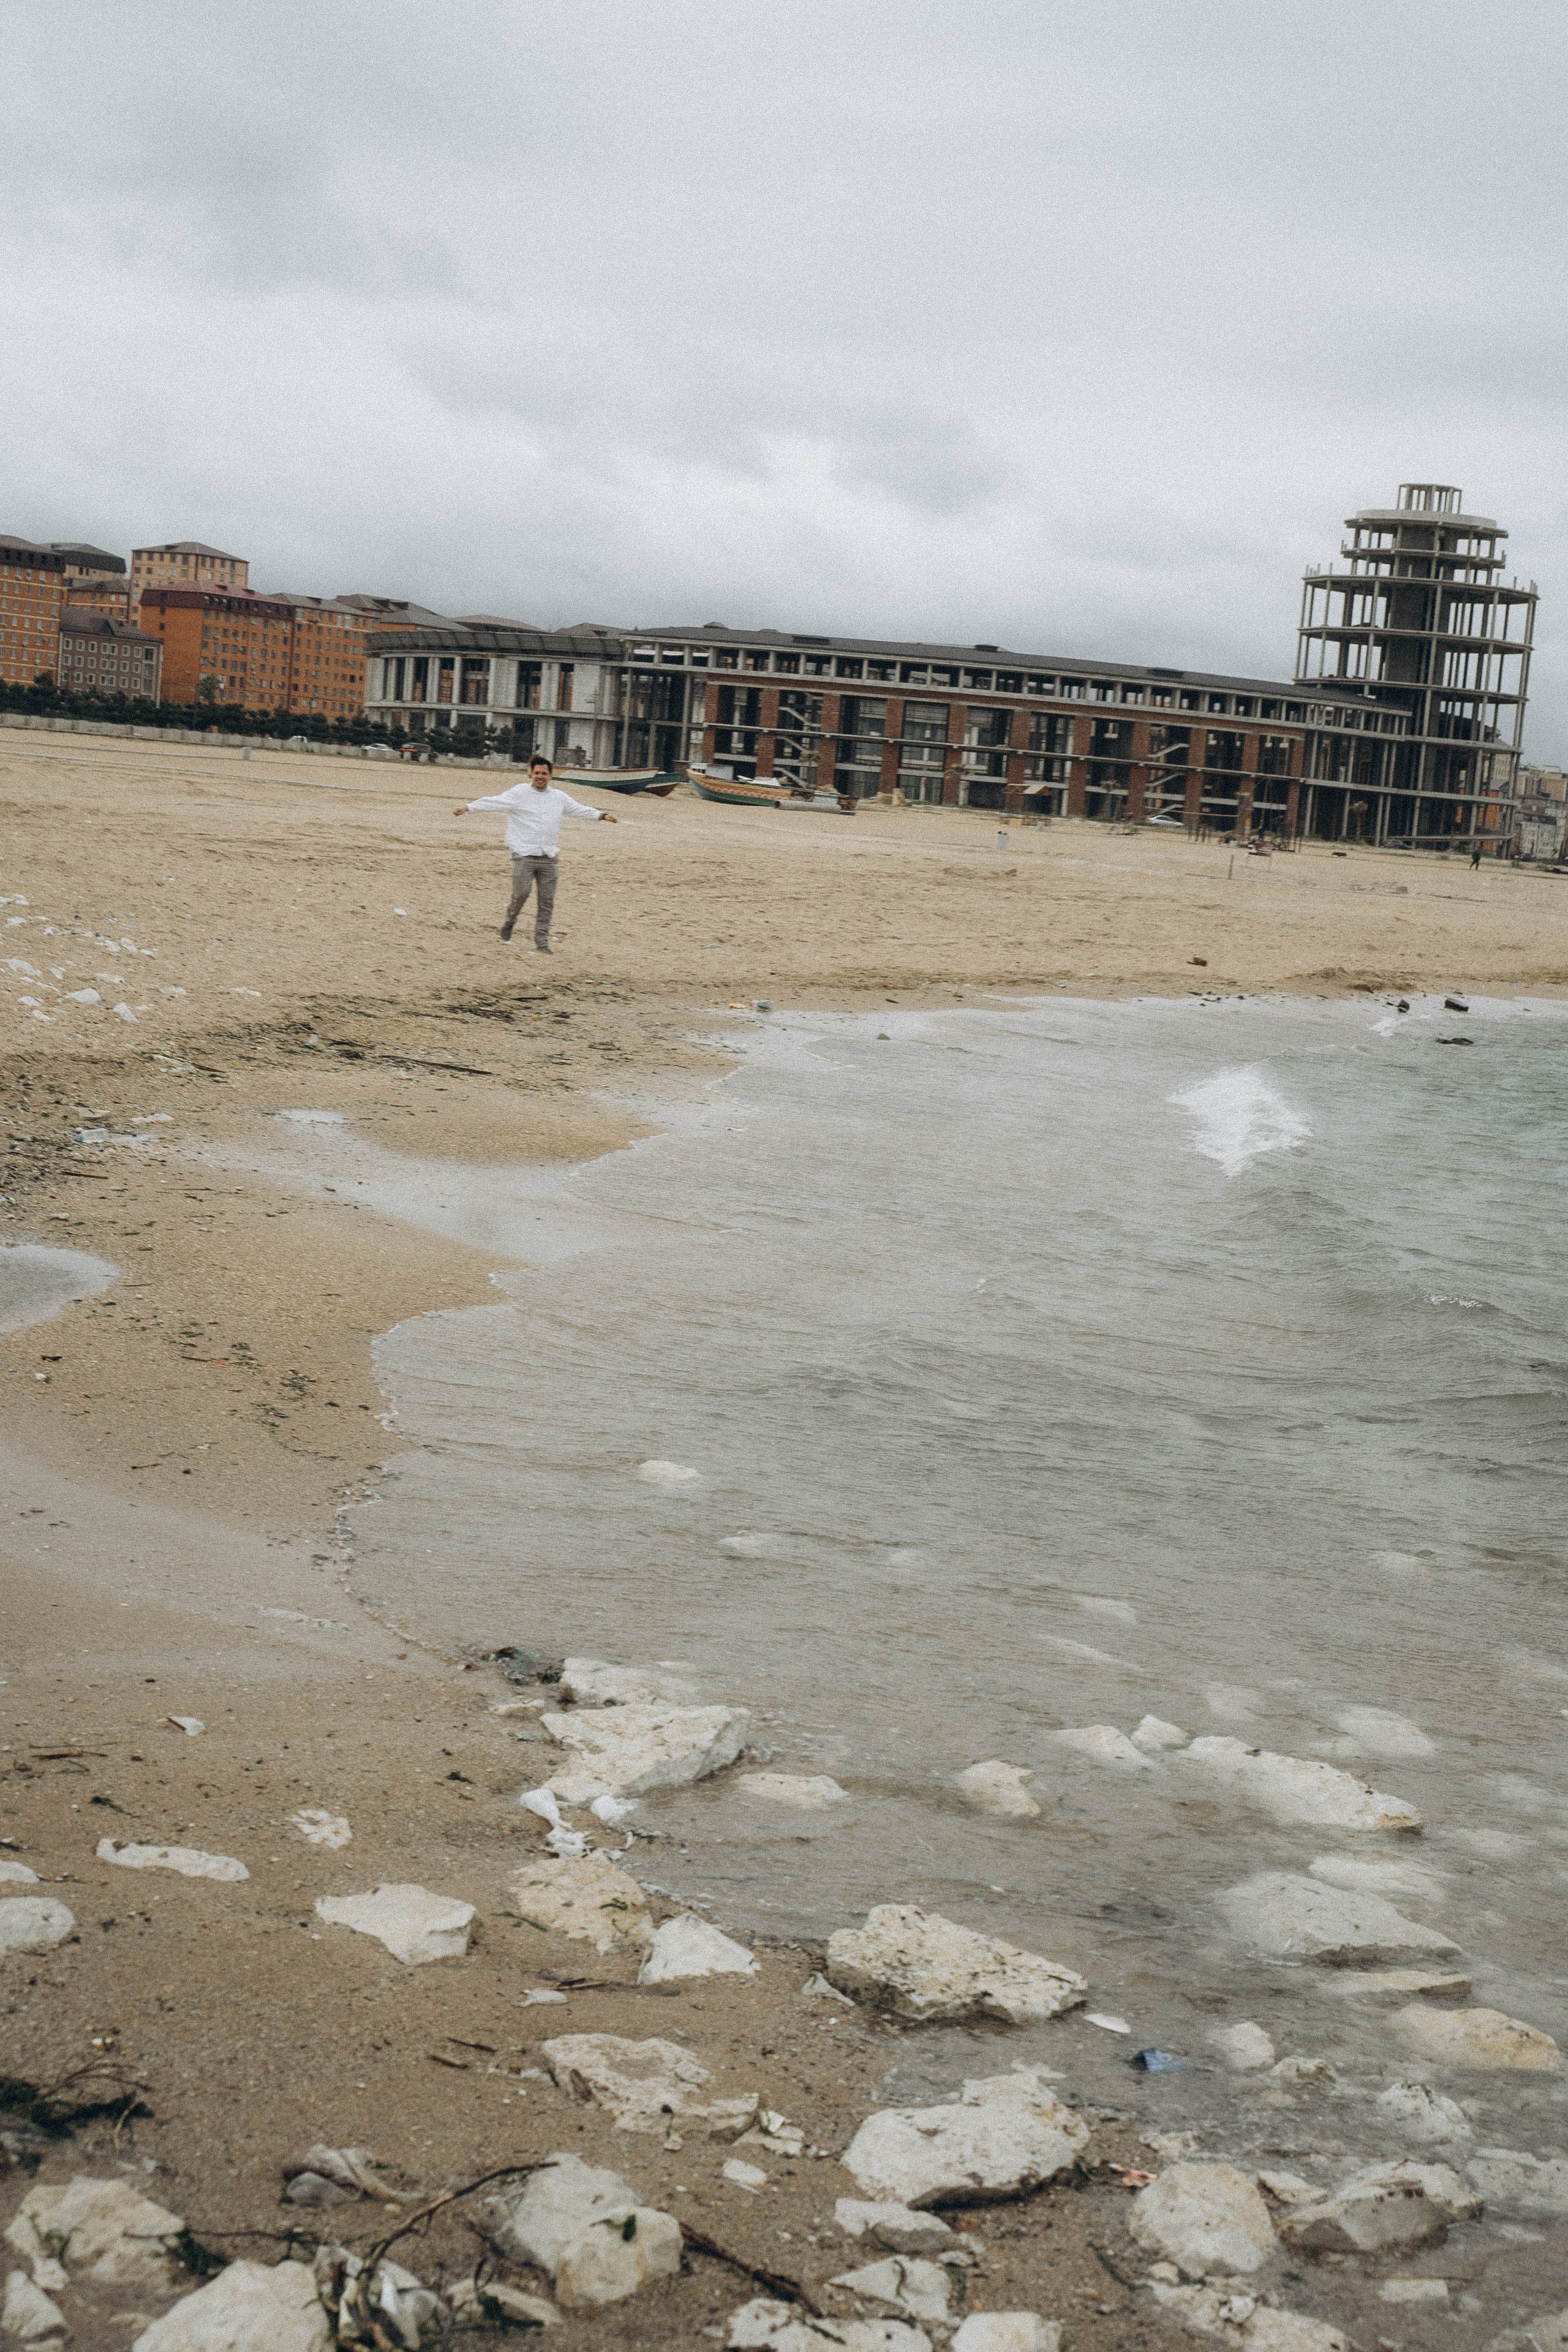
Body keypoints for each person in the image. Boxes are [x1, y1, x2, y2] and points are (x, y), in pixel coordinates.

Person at [454, 755, 616, 952]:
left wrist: (602, 815)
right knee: (521, 893)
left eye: (544, 773)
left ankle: (542, 943)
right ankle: (510, 921)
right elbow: (495, 802)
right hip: (523, 854)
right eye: (537, 773)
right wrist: (469, 807)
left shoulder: (559, 797)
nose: (540, 777)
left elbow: (578, 810)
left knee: (547, 901)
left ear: (551, 776)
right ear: (531, 773)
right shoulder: (520, 793)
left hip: (549, 857)